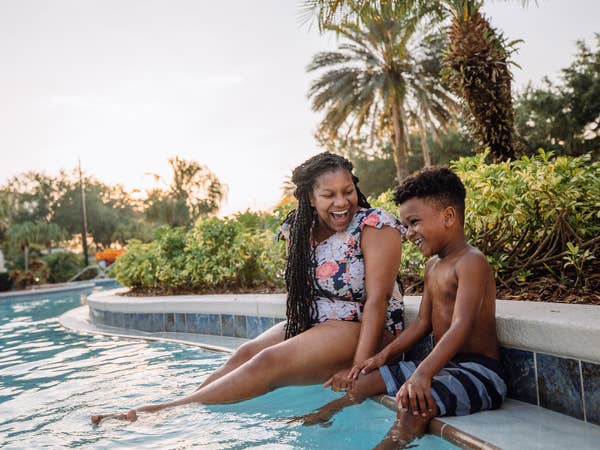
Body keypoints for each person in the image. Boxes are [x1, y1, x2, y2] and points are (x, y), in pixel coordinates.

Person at [91, 152, 405, 424]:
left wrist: (358, 370)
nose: (341, 202)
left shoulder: (374, 225)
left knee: (266, 363)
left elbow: (377, 300)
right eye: (329, 195)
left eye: (347, 191)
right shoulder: (300, 228)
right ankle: (192, 402)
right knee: (246, 353)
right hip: (320, 325)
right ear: (310, 197)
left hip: (366, 329)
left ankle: (166, 411)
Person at [294, 167, 507, 449]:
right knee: (361, 383)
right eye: (406, 225)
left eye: (414, 223)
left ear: (448, 217)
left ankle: (391, 444)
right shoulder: (433, 266)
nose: (408, 233)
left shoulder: (471, 262)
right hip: (444, 366)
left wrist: (422, 374)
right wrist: (382, 356)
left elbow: (461, 325)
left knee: (413, 403)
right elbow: (421, 323)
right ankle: (318, 421)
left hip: (480, 373)